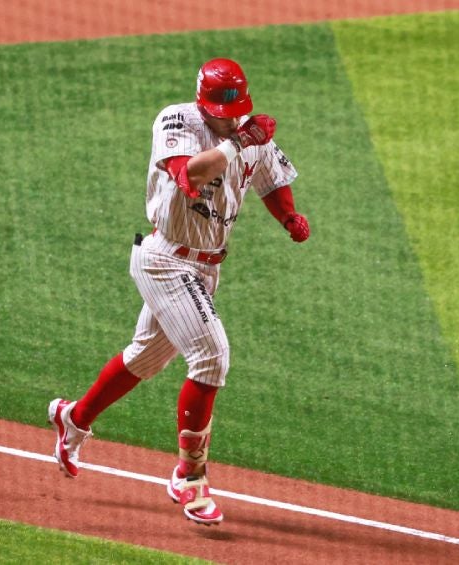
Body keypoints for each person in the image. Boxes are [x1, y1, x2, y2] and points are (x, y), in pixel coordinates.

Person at [47, 58, 310, 526]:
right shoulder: (177, 120)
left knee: (145, 357)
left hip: (207, 267)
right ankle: (190, 477)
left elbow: (271, 177)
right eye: (222, 112)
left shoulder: (248, 132)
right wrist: (239, 141)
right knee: (212, 356)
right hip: (165, 258)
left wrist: (288, 216)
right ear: (202, 101)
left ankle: (75, 418)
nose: (231, 119)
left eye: (237, 113)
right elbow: (191, 174)